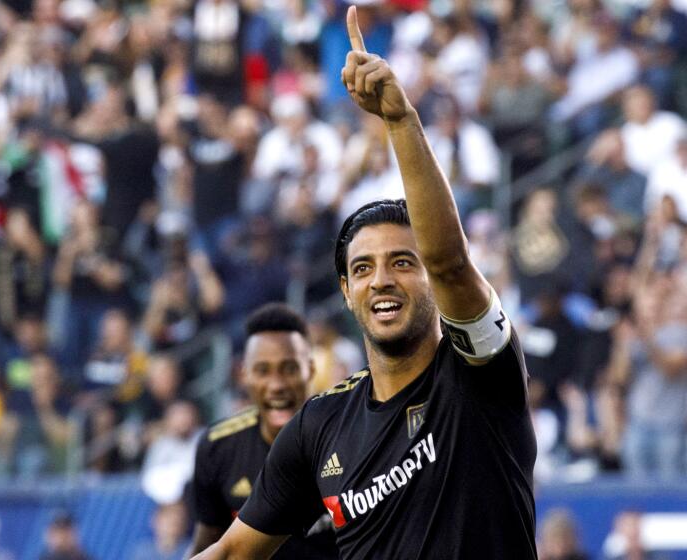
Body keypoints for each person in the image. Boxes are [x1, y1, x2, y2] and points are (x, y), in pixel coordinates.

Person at [192, 6, 535, 559]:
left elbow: (450, 262)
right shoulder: (319, 425)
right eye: (362, 268)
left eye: (403, 262)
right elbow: (232, 553)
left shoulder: (481, 372)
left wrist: (400, 123)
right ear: (346, 292)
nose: (381, 280)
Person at [185, 303, 338, 558]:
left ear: (310, 370)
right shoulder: (217, 446)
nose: (276, 385)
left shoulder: (346, 434)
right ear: (244, 375)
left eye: (289, 368)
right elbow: (206, 544)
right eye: (262, 370)